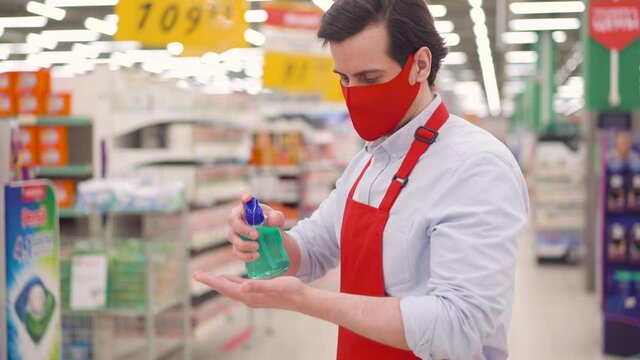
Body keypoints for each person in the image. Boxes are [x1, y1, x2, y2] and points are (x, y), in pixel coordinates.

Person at [194, 0, 529, 359]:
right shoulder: (368, 161)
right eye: (344, 79)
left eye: (370, 78)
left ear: (420, 64)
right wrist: (267, 240)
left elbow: (458, 325)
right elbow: (313, 249)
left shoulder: (476, 166)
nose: (354, 93)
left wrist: (307, 301)